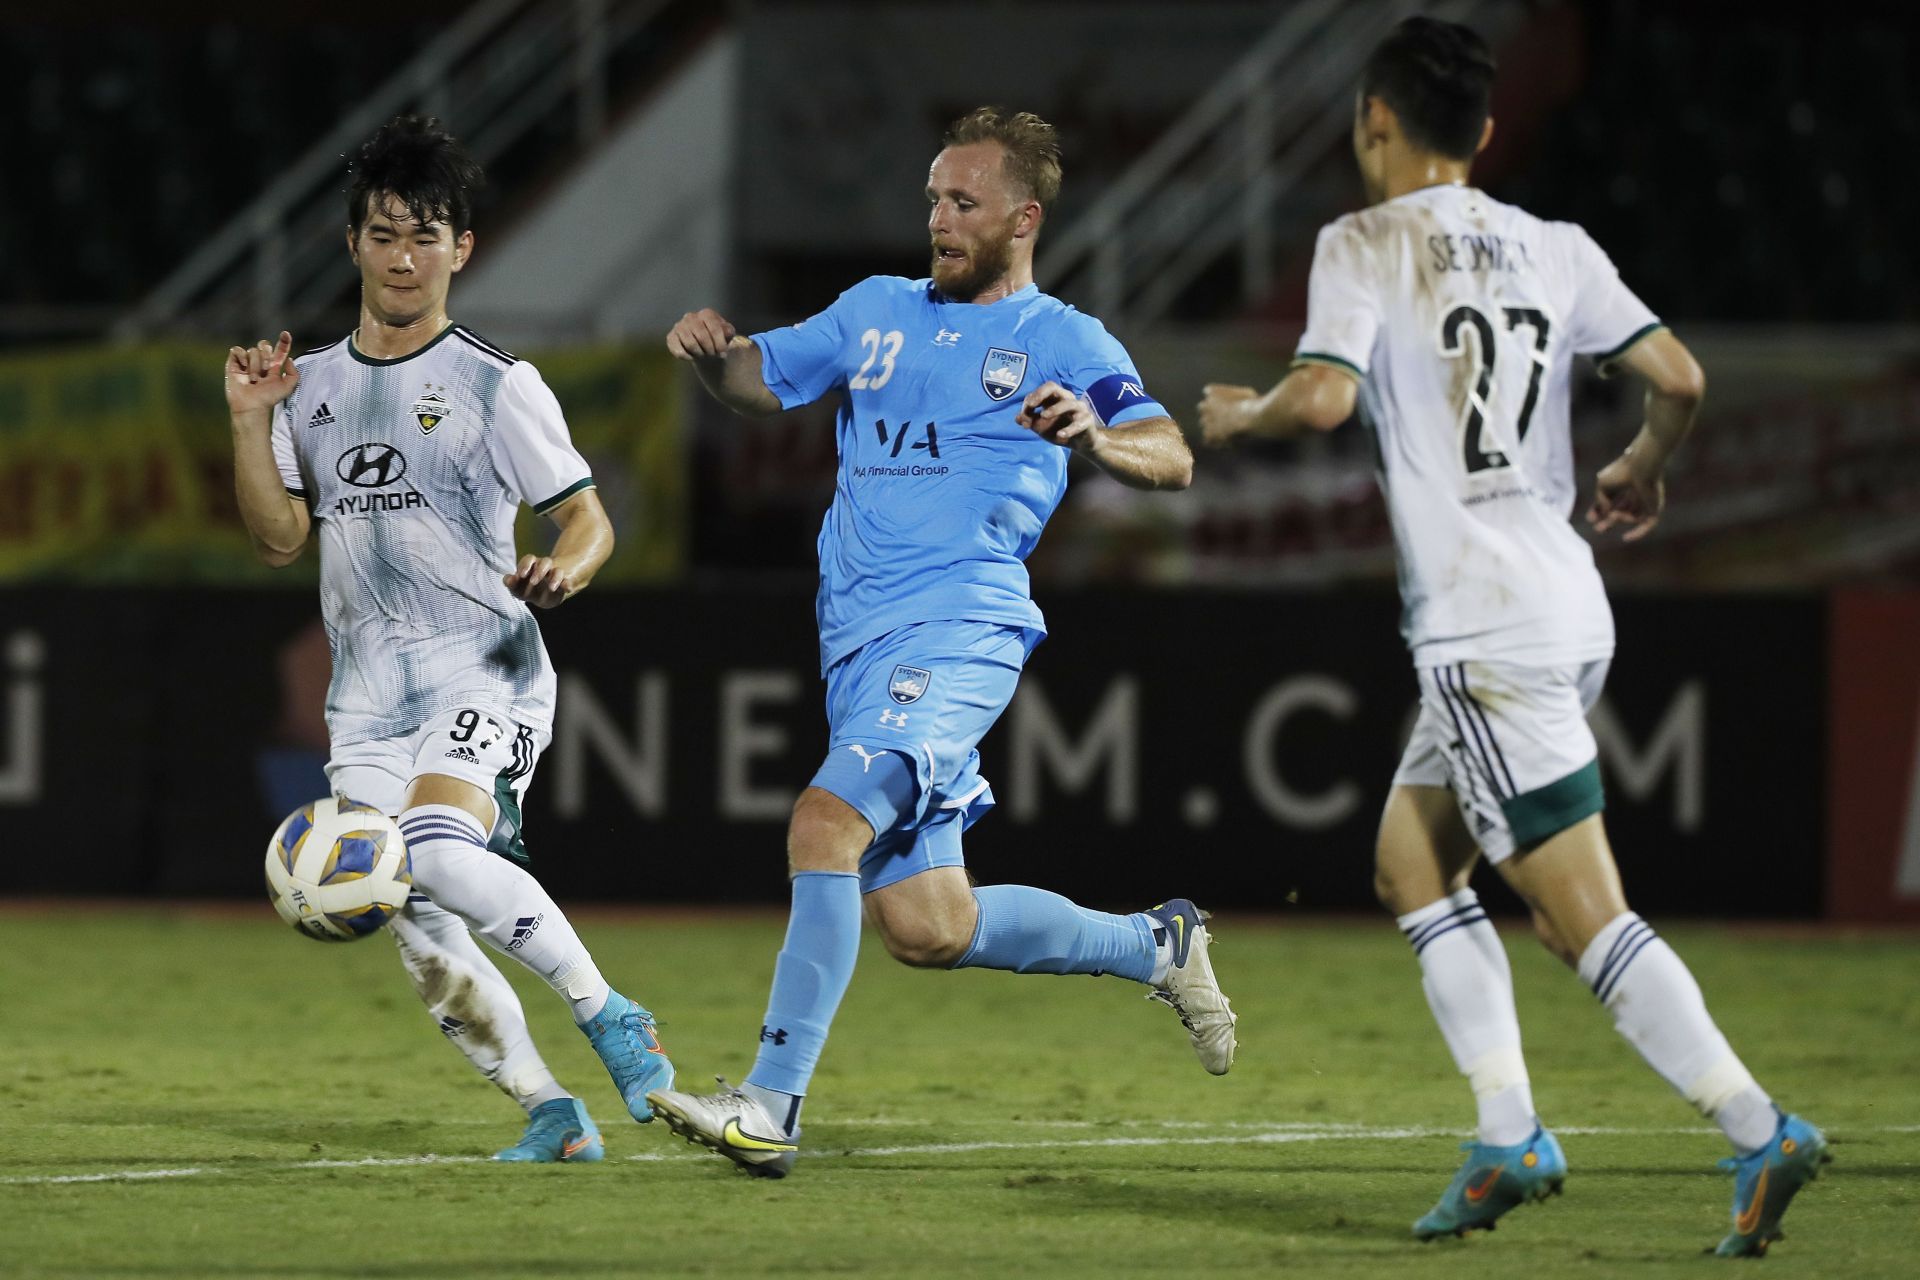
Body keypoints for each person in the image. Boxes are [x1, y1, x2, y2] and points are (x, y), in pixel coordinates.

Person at [1197, 17, 1825, 1257]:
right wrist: (1643, 465)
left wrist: (1240, 413)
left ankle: (1760, 1128)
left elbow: (1322, 398)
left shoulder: (1363, 242)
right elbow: (1683, 379)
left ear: (1371, 121)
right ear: (1483, 133)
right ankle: (1507, 1134)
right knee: (1411, 866)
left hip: (1482, 630)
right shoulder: (1557, 244)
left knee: (1581, 914)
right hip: (1562, 602)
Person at [645, 106, 1236, 1178]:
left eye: (963, 202)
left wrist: (1097, 434)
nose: (939, 220)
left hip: (961, 626)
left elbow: (1171, 453)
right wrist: (709, 354)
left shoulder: (1063, 338)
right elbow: (755, 378)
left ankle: (769, 1104)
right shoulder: (874, 310)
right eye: (933, 199)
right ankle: (1158, 944)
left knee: (823, 822)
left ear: (1024, 217)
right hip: (857, 645)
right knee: (926, 923)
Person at [224, 115, 672, 1164]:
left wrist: (570, 566)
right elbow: (280, 537)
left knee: (430, 850)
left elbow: (586, 514)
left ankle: (612, 1012)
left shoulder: (495, 381)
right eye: (383, 233)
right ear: (352, 245)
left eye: (426, 234)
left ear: (461, 248)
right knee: (409, 910)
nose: (403, 255)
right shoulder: (313, 387)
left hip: (487, 659)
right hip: (367, 688)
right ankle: (549, 1110)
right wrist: (251, 421)